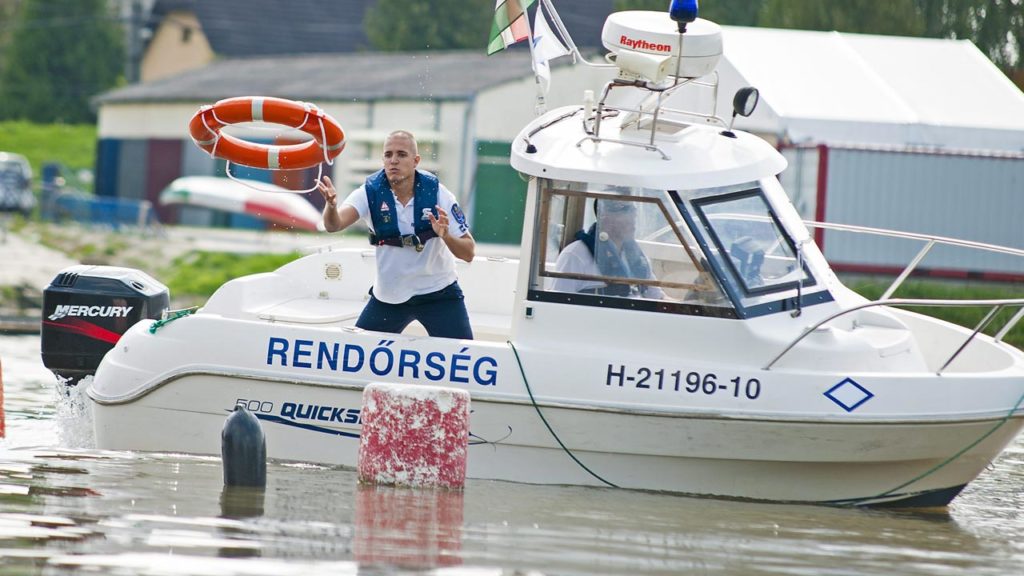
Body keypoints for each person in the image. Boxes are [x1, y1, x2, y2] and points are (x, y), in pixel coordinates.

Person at [317, 130, 476, 339]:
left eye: (401, 154)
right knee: (359, 354)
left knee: (463, 357)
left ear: (415, 160)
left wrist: (445, 235)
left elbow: (469, 253)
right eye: (388, 154)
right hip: (389, 297)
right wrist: (331, 205)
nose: (393, 161)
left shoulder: (438, 194)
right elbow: (334, 225)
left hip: (439, 293)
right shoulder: (369, 192)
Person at [552, 198, 664, 298]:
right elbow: (557, 305)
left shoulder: (634, 255)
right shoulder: (574, 256)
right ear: (604, 216)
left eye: (633, 210)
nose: (633, 216)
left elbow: (657, 297)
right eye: (625, 210)